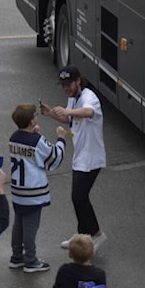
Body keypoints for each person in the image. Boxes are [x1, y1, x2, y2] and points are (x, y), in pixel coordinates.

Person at [43, 66, 107, 250]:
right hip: (80, 157)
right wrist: (51, 114)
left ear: (78, 81)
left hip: (92, 158)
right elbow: (70, 120)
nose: (66, 88)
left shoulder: (89, 97)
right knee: (77, 198)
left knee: (79, 196)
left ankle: (97, 235)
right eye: (63, 85)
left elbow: (88, 113)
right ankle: (81, 237)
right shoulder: (72, 99)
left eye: (68, 84)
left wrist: (68, 111)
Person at [8, 103, 66, 273]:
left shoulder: (14, 137)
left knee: (18, 224)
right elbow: (54, 158)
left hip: (18, 191)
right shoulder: (37, 141)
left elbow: (29, 151)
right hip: (33, 192)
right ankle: (31, 260)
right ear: (32, 121)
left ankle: (17, 256)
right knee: (31, 227)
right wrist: (61, 139)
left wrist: (36, 134)